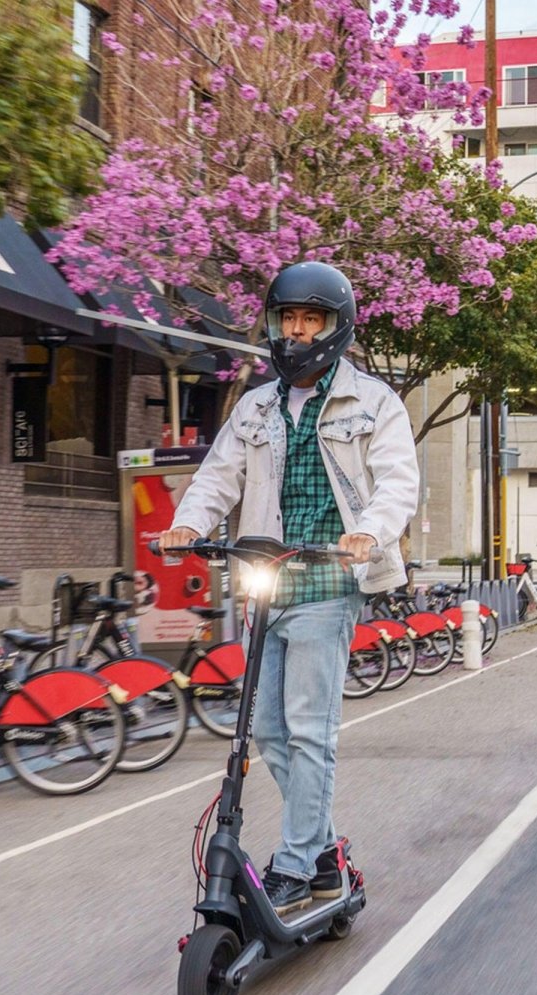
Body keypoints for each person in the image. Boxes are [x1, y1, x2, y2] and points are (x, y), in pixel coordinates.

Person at [158, 262, 419, 915]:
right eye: (289, 319)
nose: (298, 331)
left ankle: (299, 865)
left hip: (330, 577)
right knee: (267, 731)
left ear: (335, 327)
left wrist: (371, 532)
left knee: (309, 730)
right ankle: (326, 852)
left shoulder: (373, 402)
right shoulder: (256, 405)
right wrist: (189, 522)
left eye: (312, 320)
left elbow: (397, 484)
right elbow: (219, 477)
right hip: (268, 580)